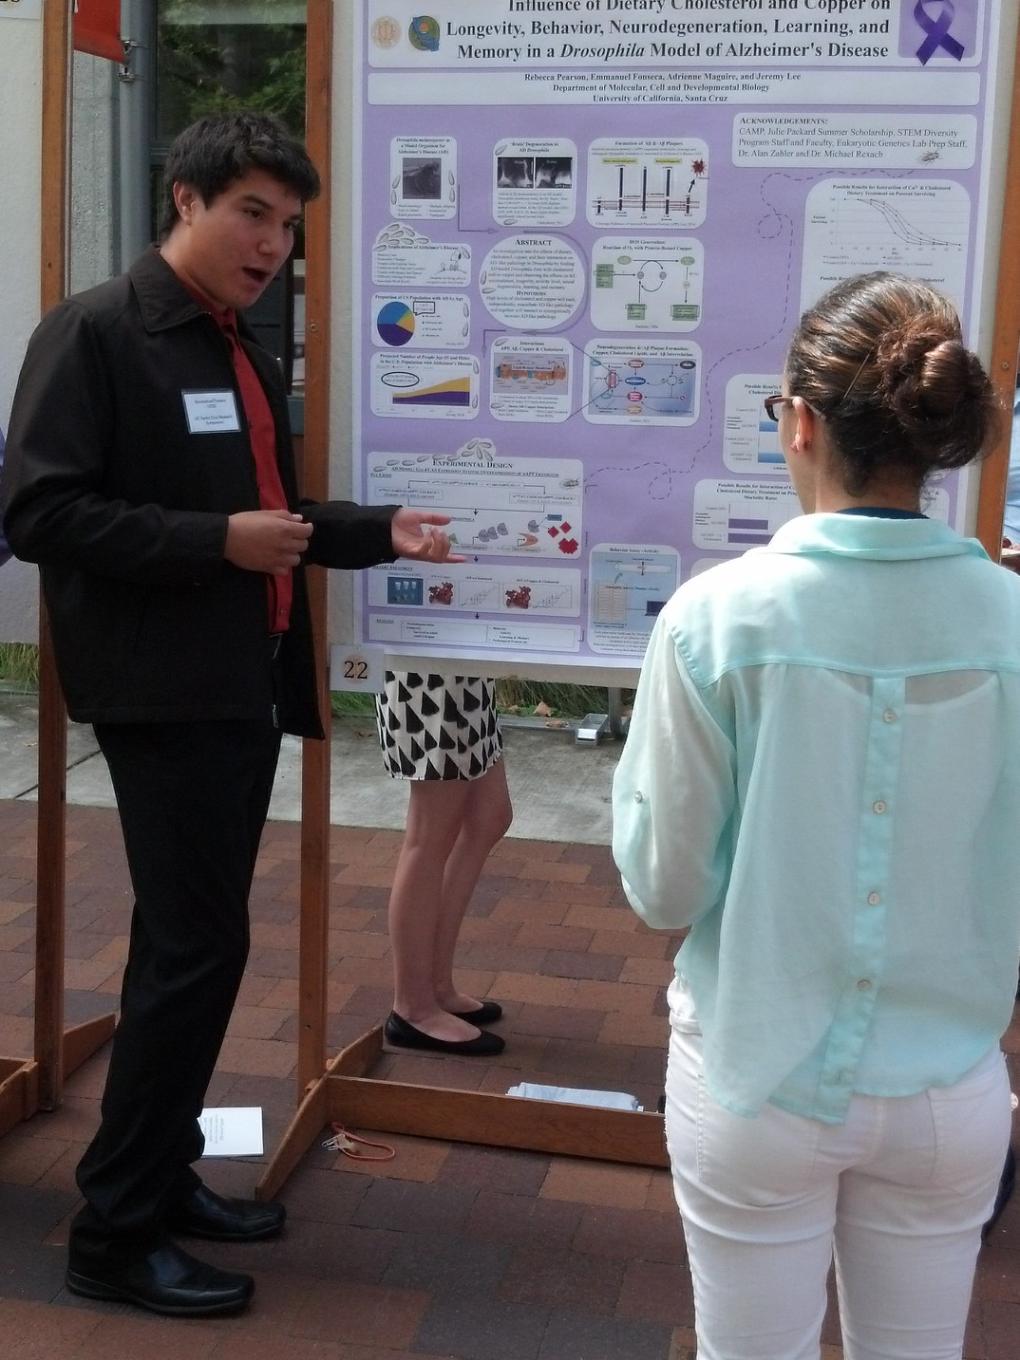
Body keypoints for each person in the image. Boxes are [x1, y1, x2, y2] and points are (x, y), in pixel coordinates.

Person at [0, 113, 460, 1319]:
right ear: (187, 200)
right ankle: (115, 1233)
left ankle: (156, 1177)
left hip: (236, 684)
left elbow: (273, 515)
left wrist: (375, 530)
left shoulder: (234, 342)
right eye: (253, 213)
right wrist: (215, 543)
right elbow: (40, 513)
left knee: (192, 947)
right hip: (160, 691)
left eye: (289, 226)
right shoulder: (96, 332)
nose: (272, 245)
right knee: (195, 949)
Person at [613, 272, 1017, 1360]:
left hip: (756, 1070)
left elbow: (665, 885)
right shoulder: (1012, 621)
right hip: (951, 1083)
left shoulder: (716, 619)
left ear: (799, 420)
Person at [376, 672, 512, 1055]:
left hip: (461, 664)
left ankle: (435, 985)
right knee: (431, 832)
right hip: (428, 671)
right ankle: (413, 1007)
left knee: (489, 815)